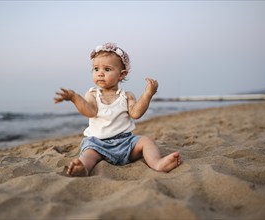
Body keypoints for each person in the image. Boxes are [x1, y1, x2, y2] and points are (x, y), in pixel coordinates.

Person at [54, 42, 181, 177]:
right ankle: (83, 168)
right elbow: (90, 111)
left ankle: (157, 163)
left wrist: (147, 94)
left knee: (146, 141)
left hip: (125, 142)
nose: (100, 74)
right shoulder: (92, 94)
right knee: (89, 154)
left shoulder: (126, 96)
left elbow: (136, 113)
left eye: (107, 69)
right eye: (96, 69)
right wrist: (75, 98)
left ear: (121, 74)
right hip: (98, 143)